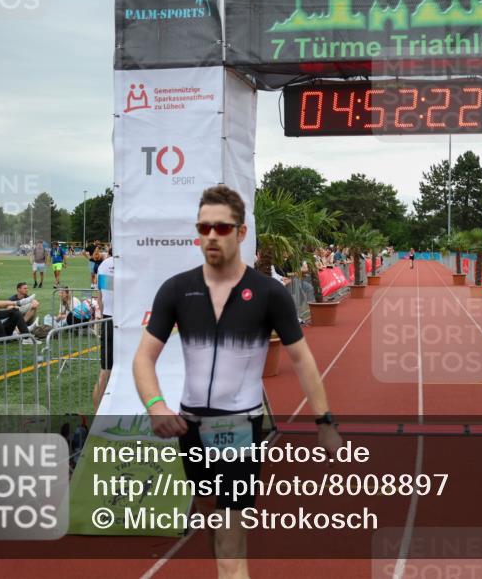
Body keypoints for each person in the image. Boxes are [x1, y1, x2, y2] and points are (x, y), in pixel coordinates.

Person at [133, 185, 342, 578]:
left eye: (223, 228)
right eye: (204, 227)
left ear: (241, 233)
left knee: (230, 537)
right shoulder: (177, 289)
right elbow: (144, 357)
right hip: (189, 426)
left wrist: (324, 421)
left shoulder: (268, 293)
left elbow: (302, 359)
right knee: (212, 517)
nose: (211, 236)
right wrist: (155, 405)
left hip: (238, 427)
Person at [94, 249, 114, 410]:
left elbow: (100, 297)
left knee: (104, 371)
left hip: (108, 318)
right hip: (125, 320)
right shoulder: (129, 264)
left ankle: (96, 417)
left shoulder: (104, 265)